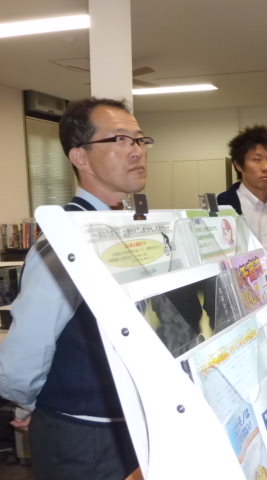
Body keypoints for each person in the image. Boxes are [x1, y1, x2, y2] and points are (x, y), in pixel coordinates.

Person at [0, 97, 151, 480]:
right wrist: (29, 403)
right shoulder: (63, 239)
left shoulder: (130, 228)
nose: (136, 150)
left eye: (139, 139)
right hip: (83, 434)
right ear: (80, 157)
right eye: (119, 139)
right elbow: (25, 352)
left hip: (134, 423)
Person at [217, 125, 267, 285]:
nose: (266, 167)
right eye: (257, 159)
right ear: (239, 165)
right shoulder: (223, 207)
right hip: (241, 295)